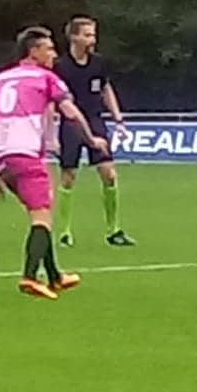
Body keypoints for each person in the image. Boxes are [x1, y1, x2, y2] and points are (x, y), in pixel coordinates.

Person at [0, 26, 109, 299]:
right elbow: (71, 113)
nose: (54, 54)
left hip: (0, 159)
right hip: (25, 154)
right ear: (34, 52)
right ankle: (30, 276)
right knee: (41, 217)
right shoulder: (46, 78)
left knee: (40, 211)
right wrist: (92, 140)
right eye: (49, 48)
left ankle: (55, 276)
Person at [53, 15, 134, 248]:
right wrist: (50, 132)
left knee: (109, 173)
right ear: (74, 36)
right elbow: (51, 100)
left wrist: (118, 117)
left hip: (95, 120)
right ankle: (65, 232)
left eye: (93, 34)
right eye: (87, 34)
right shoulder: (60, 66)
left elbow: (106, 88)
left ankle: (114, 230)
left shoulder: (99, 63)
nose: (92, 39)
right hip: (70, 124)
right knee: (68, 176)